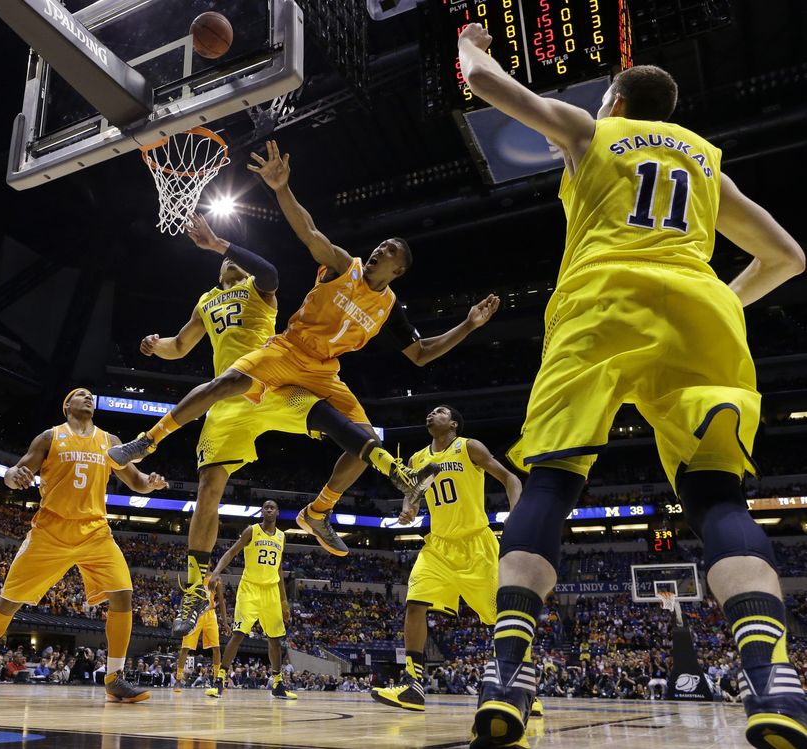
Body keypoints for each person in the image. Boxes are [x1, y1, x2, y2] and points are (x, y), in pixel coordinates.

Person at [458, 23, 806, 749]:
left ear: (615, 100)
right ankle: (773, 681)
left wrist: (472, 40)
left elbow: (484, 85)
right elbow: (789, 256)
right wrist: (715, 305)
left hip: (600, 306)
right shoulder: (708, 165)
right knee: (717, 497)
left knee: (550, 482)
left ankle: (506, 676)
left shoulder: (592, 131)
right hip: (699, 311)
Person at [108, 142, 500, 558]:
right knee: (227, 382)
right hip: (288, 351)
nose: (378, 250)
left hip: (323, 371)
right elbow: (309, 232)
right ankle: (147, 441)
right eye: (380, 245)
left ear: (397, 271)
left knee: (364, 443)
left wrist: (468, 325)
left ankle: (318, 511)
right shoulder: (343, 265)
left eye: (388, 252)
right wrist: (281, 189)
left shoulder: (388, 309)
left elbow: (420, 353)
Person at [134, 213, 322, 638]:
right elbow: (180, 346)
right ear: (218, 272)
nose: (232, 263)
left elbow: (271, 271)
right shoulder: (205, 301)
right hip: (227, 402)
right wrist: (155, 345)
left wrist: (222, 243)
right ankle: (196, 587)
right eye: (226, 261)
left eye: (237, 256)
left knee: (337, 421)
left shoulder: (259, 289)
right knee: (208, 486)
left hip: (271, 382)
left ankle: (327, 507)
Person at [0, 388, 167, 703]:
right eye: (80, 394)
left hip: (95, 532)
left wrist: (151, 483)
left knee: (123, 596)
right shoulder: (49, 437)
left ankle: (115, 678)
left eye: (91, 395)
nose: (88, 397)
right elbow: (13, 473)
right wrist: (13, 475)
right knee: (7, 602)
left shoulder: (111, 442)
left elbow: (137, 481)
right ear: (66, 406)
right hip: (50, 531)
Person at [371, 406, 537, 715]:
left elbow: (511, 478)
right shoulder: (416, 459)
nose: (431, 414)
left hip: (476, 545)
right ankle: (413, 685)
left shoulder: (469, 446)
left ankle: (522, 684)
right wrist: (408, 509)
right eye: (430, 412)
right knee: (415, 602)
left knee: (501, 618)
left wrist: (517, 518)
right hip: (438, 547)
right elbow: (413, 496)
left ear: (454, 424)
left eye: (440, 411)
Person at [208, 500, 297, 700]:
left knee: (275, 640)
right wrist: (216, 572)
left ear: (278, 512)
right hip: (250, 588)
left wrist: (284, 601)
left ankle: (278, 684)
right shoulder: (251, 530)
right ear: (262, 511)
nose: (269, 509)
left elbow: (280, 570)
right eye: (265, 507)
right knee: (238, 633)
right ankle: (219, 679)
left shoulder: (282, 537)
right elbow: (231, 552)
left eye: (272, 507)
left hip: (272, 591)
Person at [172, 575, 230, 697]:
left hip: (210, 615)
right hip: (195, 614)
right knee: (185, 648)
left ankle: (217, 680)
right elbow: (186, 597)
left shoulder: (216, 579)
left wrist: (225, 622)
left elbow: (222, 600)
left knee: (216, 648)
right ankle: (178, 680)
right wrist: (181, 614)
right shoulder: (194, 577)